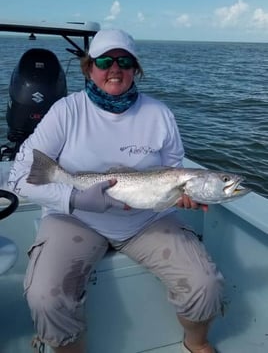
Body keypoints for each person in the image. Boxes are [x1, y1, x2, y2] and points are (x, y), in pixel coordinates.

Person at [8, 28, 223, 353]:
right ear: (89, 67)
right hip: (76, 218)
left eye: (124, 60)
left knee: (205, 284)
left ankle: (197, 343)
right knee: (45, 296)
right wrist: (74, 197)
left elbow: (174, 171)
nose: (115, 67)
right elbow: (18, 177)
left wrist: (183, 196)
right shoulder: (67, 111)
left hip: (146, 220)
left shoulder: (160, 115)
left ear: (135, 68)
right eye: (104, 60)